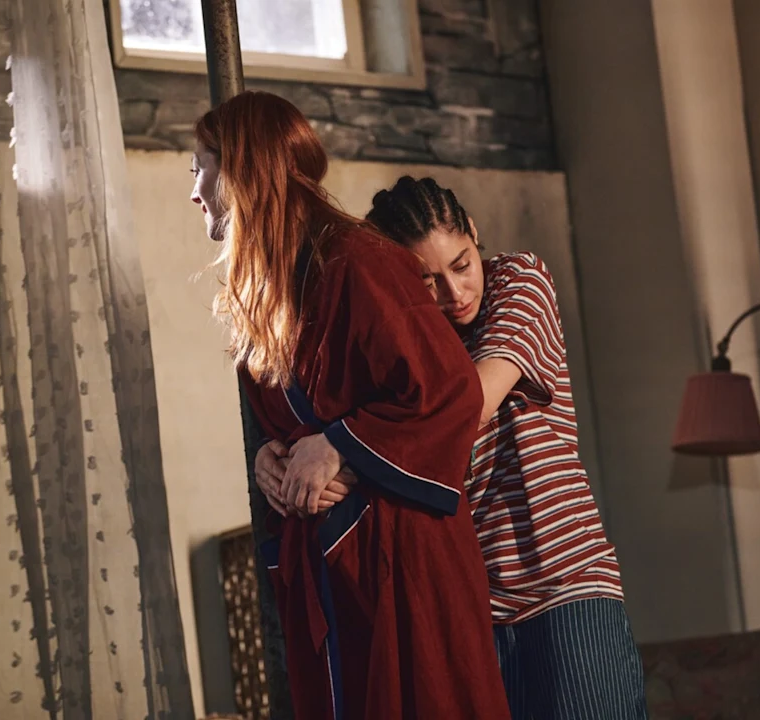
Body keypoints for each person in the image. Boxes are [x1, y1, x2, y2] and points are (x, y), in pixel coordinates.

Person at [190, 93, 511, 720]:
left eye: (200, 167)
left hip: (402, 560)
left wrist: (337, 447)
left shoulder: (358, 260)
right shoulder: (273, 289)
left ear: (242, 169)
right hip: (333, 559)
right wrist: (271, 459)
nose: (195, 190)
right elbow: (292, 420)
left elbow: (449, 391)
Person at [364, 177, 649, 719]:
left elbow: (468, 407)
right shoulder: (410, 343)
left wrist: (344, 455)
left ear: (474, 235)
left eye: (461, 264)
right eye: (427, 280)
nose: (454, 294)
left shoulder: (519, 281)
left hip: (567, 588)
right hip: (477, 613)